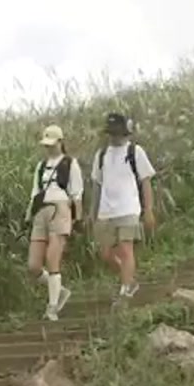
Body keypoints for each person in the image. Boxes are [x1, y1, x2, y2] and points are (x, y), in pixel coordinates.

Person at [86, 111, 157, 299]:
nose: (114, 137)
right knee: (105, 253)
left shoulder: (135, 152)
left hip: (129, 208)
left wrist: (148, 210)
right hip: (105, 211)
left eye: (117, 133)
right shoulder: (101, 155)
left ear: (126, 133)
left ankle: (125, 291)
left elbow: (146, 181)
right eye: (111, 133)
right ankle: (129, 278)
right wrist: (92, 213)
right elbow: (97, 185)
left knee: (126, 249)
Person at [27, 123, 84, 321]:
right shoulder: (41, 166)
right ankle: (60, 291)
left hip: (61, 209)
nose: (49, 148)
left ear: (61, 142)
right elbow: (35, 191)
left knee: (53, 259)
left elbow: (77, 194)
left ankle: (52, 307)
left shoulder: (70, 164)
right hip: (41, 210)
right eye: (46, 144)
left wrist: (77, 219)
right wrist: (29, 214)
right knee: (33, 265)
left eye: (52, 144)